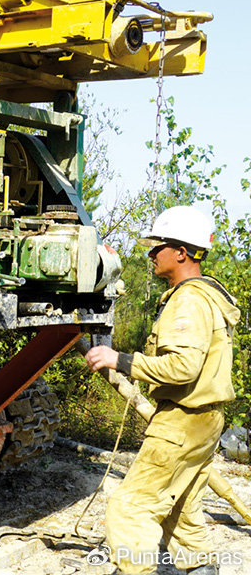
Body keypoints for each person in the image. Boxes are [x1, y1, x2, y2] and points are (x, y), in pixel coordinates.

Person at [85, 206, 239, 575]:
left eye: (158, 247)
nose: (151, 254)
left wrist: (119, 359)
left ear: (181, 253)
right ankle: (201, 568)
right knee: (182, 506)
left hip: (183, 420)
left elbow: (183, 367)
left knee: (130, 508)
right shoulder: (209, 295)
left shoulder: (187, 299)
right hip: (207, 419)